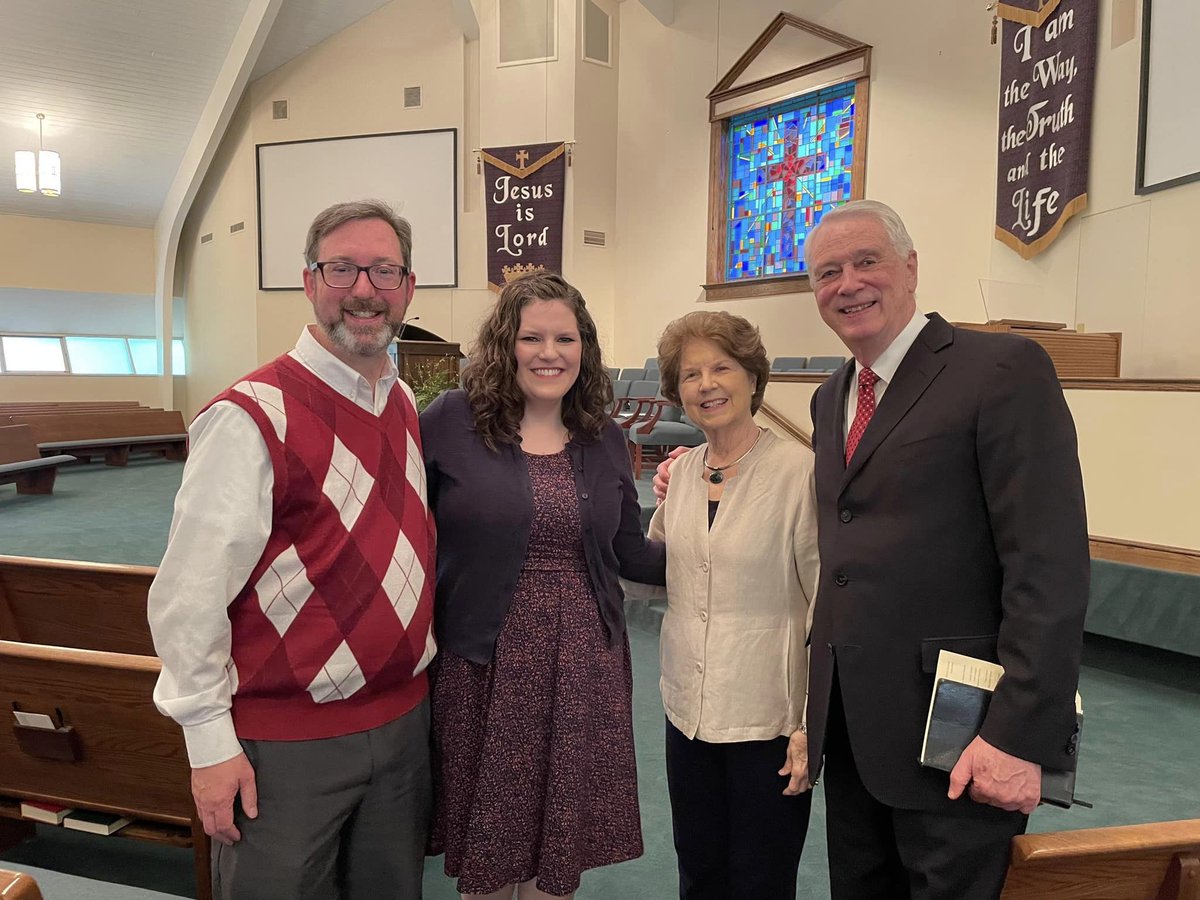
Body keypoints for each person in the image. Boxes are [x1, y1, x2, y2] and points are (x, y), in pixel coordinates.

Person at [656, 199, 1090, 900]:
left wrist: (1018, 736)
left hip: (962, 734)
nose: (848, 283)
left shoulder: (1001, 370)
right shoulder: (833, 399)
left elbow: (1049, 569)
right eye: (828, 272)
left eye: (867, 262)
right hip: (857, 738)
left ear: (911, 268)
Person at [148, 199, 436, 899]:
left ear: (408, 288)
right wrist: (209, 745)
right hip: (283, 749)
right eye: (342, 268)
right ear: (309, 282)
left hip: (402, 728)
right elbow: (188, 598)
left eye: (384, 270)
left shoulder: (400, 405)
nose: (364, 289)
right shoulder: (251, 415)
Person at [420, 272, 665, 900]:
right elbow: (401, 523)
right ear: (507, 344)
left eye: (566, 337)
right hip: (484, 660)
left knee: (557, 847)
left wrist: (722, 535)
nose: (549, 352)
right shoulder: (451, 421)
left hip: (583, 661)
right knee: (491, 844)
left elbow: (628, 552)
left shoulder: (605, 436)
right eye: (532, 337)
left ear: (585, 348)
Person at [628, 310, 818, 900]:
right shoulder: (681, 473)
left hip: (768, 716)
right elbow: (658, 574)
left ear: (752, 378)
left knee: (761, 879)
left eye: (721, 368)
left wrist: (812, 723)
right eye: (690, 375)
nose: (707, 384)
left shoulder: (800, 472)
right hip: (687, 710)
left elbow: (826, 606)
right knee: (700, 870)